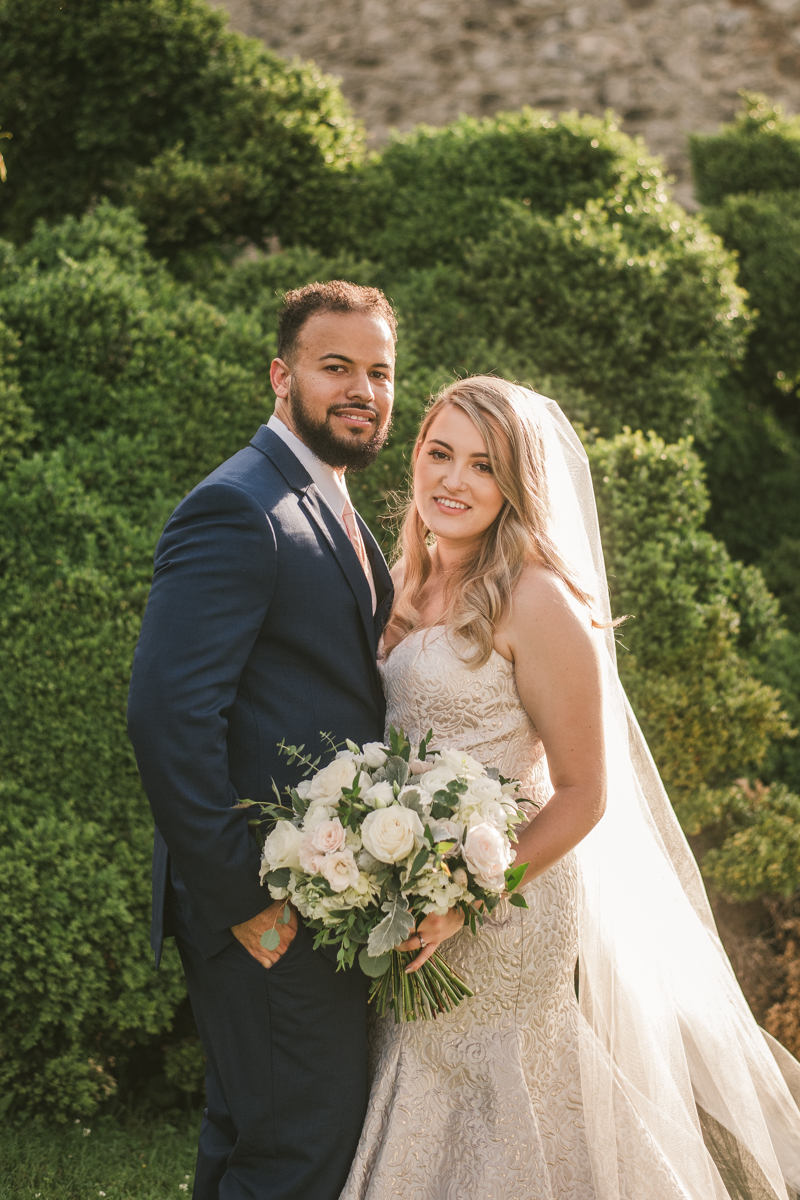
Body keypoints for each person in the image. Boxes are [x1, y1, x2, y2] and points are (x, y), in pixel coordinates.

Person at [341, 376, 800, 1200]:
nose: (454, 480)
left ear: (515, 486)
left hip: (507, 900)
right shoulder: (404, 585)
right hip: (409, 889)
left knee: (499, 1091)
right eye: (440, 454)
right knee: (421, 1081)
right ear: (414, 457)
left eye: (483, 466)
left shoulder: (538, 598)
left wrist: (467, 899)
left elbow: (586, 791)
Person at [127, 280, 400, 1200]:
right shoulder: (239, 507)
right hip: (265, 903)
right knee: (299, 1151)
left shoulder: (331, 503)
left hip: (316, 892)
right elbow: (168, 716)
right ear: (281, 377)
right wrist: (245, 895)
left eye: (379, 371)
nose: (362, 388)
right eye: (336, 368)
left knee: (256, 1136)